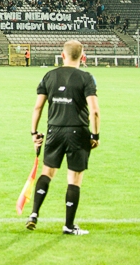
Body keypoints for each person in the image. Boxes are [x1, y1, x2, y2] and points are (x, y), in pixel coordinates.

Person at [27, 40, 100, 236]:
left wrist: (34, 133)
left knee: (47, 173)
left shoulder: (49, 76)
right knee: (74, 180)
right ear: (83, 57)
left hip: (54, 131)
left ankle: (33, 214)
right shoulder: (87, 78)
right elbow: (94, 111)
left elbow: (38, 107)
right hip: (78, 132)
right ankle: (68, 226)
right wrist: (95, 135)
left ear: (62, 55)